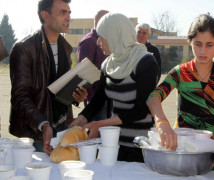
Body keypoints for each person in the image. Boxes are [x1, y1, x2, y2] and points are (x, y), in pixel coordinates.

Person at [147, 14, 214, 171]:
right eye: (197, 44)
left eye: (209, 45)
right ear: (190, 42)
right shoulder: (180, 73)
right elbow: (153, 97)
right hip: (181, 147)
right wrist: (162, 124)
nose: (202, 51)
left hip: (212, 148)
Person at [70, 13, 159, 162]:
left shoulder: (146, 62)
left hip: (140, 145)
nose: (98, 42)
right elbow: (98, 100)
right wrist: (78, 121)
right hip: (113, 144)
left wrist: (101, 124)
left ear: (115, 35)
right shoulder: (108, 64)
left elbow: (141, 110)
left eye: (102, 37)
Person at [9, 0, 87, 154]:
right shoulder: (24, 49)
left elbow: (59, 89)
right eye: (62, 13)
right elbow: (20, 96)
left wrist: (77, 96)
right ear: (45, 15)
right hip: (36, 134)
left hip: (63, 127)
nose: (68, 18)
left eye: (69, 13)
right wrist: (42, 124)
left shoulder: (65, 48)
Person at [77, 9, 111, 120]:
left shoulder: (107, 40)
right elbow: (84, 71)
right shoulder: (88, 42)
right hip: (95, 96)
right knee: (98, 131)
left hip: (108, 93)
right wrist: (91, 98)